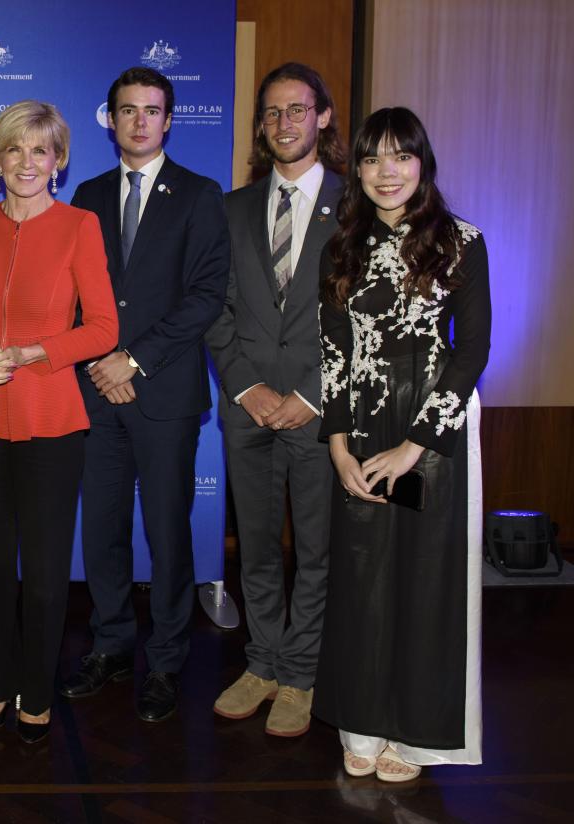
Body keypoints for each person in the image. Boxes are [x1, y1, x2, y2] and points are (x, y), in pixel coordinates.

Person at [315, 107, 490, 781]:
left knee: (422, 577)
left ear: (423, 163)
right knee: (362, 576)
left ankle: (414, 735)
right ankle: (361, 723)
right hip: (358, 429)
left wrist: (414, 446)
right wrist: (336, 442)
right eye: (371, 159)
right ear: (356, 169)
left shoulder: (461, 242)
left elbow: (471, 350)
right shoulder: (341, 244)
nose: (387, 172)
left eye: (400, 156)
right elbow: (332, 349)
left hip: (430, 436)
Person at [0, 100, 119, 744]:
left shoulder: (80, 226)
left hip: (50, 415)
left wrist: (33, 353)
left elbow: (103, 327)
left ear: (59, 161)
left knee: (43, 570)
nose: (26, 162)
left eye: (40, 151)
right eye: (14, 149)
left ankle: (36, 693)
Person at [63, 68, 229, 722]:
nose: (139, 121)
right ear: (111, 119)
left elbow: (206, 296)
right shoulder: (87, 194)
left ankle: (164, 659)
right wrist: (100, 362)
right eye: (127, 110)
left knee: (166, 532)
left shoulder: (199, 194)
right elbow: (71, 295)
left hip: (162, 391)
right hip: (96, 393)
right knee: (102, 529)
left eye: (151, 110)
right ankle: (109, 645)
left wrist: (133, 358)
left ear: (168, 120)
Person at [205, 63, 346, 737]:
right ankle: (261, 662)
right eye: (272, 113)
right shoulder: (231, 209)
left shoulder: (357, 208)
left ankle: (302, 674)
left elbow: (365, 318)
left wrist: (314, 394)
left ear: (323, 117)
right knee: (257, 547)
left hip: (321, 414)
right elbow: (214, 307)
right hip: (247, 407)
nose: (284, 123)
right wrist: (246, 385)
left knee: (315, 550)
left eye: (297, 110)